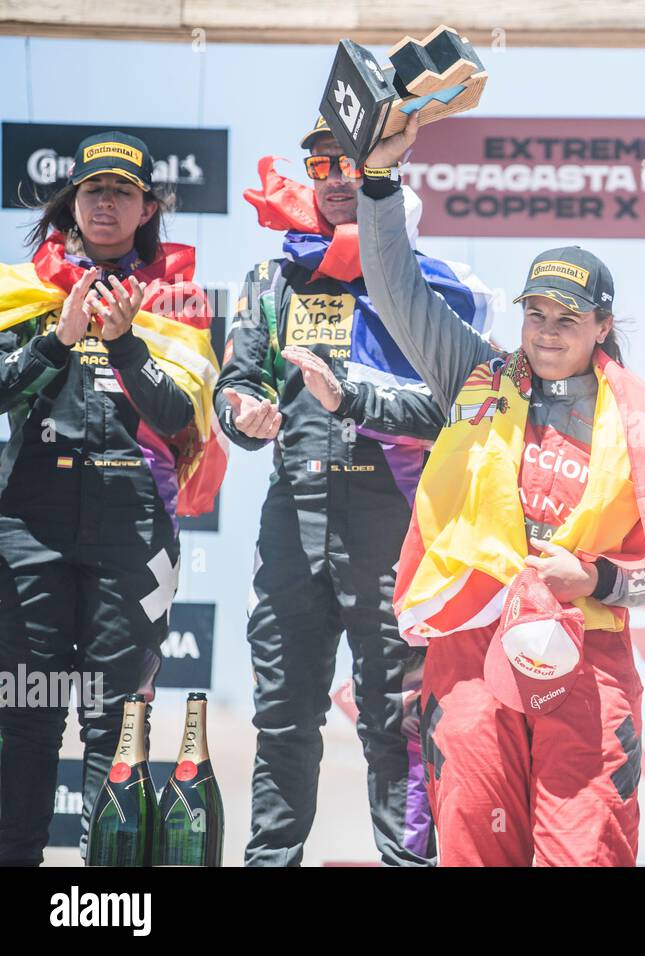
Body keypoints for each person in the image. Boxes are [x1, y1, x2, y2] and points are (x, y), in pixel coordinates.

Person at [356, 118, 645, 867]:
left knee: (587, 851)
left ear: (603, 325)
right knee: (476, 847)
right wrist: (380, 186)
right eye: (535, 313)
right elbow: (397, 292)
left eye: (568, 318)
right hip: (474, 647)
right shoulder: (475, 377)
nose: (546, 332)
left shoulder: (644, 423)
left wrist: (602, 578)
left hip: (587, 654)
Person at [215, 117, 488, 866]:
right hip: (293, 522)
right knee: (283, 719)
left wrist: (354, 403)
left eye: (351, 163)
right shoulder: (275, 279)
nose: (336, 177)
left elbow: (457, 411)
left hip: (393, 525)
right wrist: (242, 414)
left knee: (396, 723)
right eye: (322, 164)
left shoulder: (429, 285)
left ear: (387, 176)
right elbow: (236, 384)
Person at [0, 131, 223, 863]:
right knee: (23, 714)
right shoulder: (22, 293)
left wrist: (127, 344)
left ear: (146, 207)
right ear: (72, 201)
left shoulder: (177, 299)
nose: (105, 202)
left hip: (132, 522)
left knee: (116, 722)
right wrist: (53, 343)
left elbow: (182, 419)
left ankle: (109, 900)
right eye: (94, 189)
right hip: (28, 520)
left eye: (122, 191)